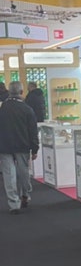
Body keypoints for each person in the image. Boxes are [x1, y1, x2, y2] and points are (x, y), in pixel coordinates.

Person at [0, 81, 39, 214]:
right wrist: (35, 149)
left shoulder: (2, 109)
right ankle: (25, 194)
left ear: (9, 92)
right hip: (23, 146)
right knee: (24, 172)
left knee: (9, 175)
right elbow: (33, 131)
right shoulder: (27, 109)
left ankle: (13, 203)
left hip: (4, 146)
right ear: (22, 92)